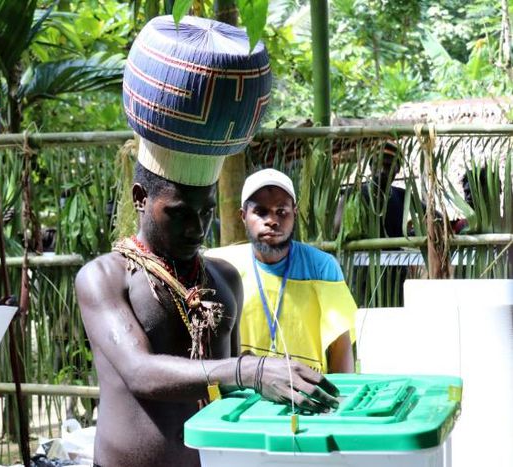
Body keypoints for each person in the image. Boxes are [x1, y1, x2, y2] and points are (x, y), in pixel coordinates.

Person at [76, 15, 340, 467]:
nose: (197, 228)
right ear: (141, 199)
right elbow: (140, 372)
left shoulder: (223, 278)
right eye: (179, 214)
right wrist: (251, 370)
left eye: (205, 212)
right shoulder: (103, 277)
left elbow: (229, 395)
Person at [206, 169, 357, 373]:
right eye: (260, 212)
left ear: (294, 213)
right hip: (242, 395)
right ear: (243, 216)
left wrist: (341, 399)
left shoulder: (321, 267)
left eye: (281, 211)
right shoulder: (221, 266)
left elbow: (340, 346)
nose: (271, 220)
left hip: (309, 394)